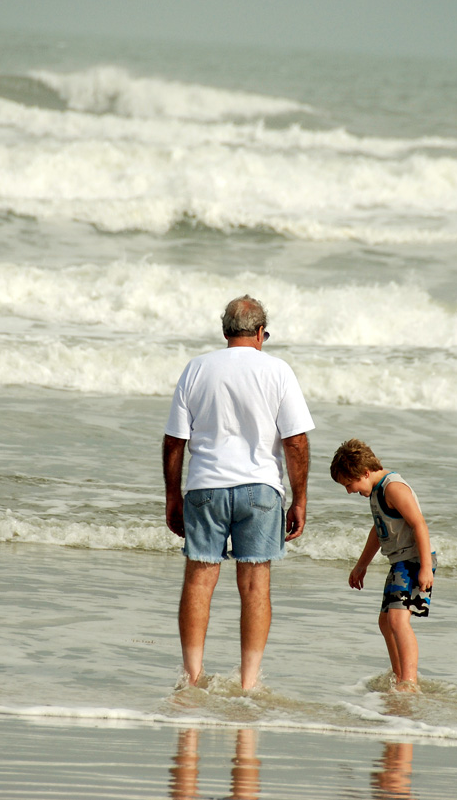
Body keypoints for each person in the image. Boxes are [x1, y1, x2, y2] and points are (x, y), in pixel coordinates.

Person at [163, 295, 313, 690]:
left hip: (205, 486)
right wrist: (299, 498)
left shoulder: (197, 368)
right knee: (254, 585)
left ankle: (192, 676)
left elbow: (174, 441)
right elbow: (295, 441)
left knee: (199, 580)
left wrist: (172, 496)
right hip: (260, 488)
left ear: (225, 331)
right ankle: (248, 682)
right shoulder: (277, 370)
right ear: (262, 333)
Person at [331, 439, 435, 691]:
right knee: (385, 621)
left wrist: (425, 567)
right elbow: (378, 531)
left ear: (365, 473)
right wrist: (361, 565)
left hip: (413, 560)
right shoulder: (376, 490)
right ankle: (399, 674)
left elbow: (419, 524)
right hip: (399, 561)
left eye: (349, 484)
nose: (349, 491)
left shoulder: (393, 488)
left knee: (399, 621)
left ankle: (408, 682)